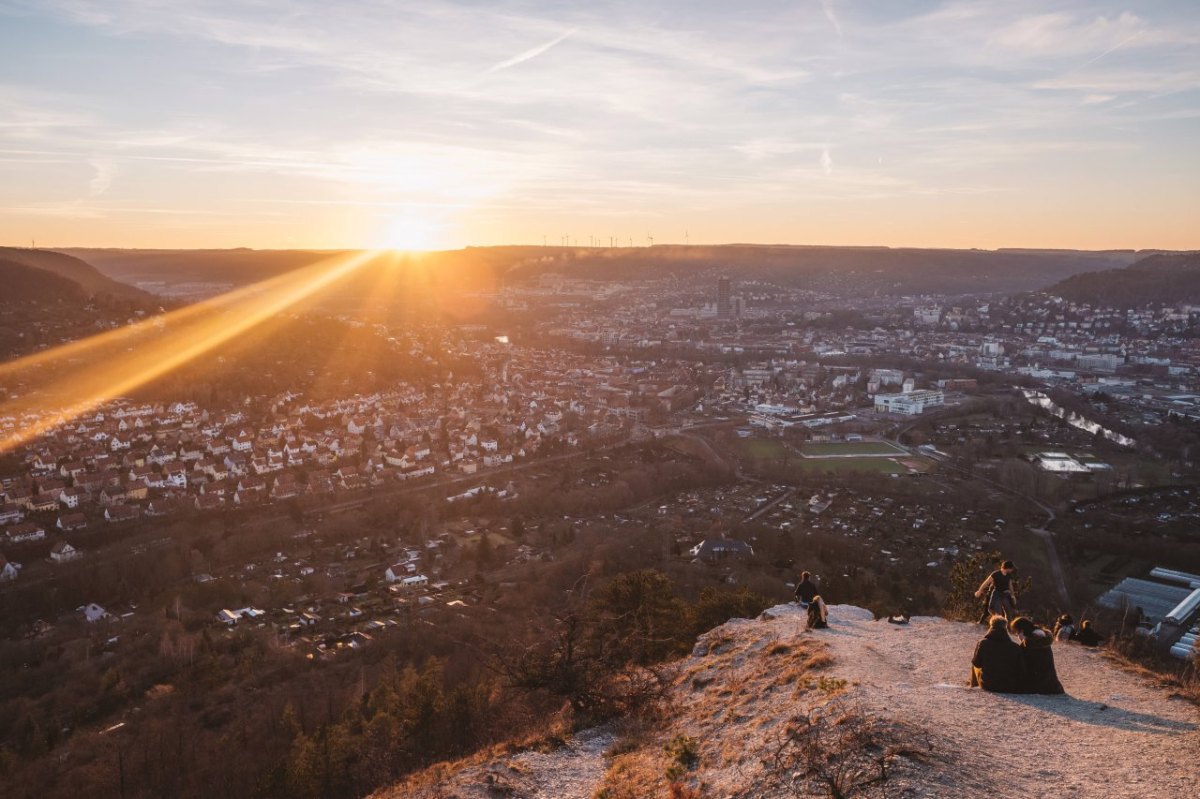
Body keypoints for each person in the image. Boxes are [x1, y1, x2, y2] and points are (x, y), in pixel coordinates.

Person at [970, 615, 1025, 692]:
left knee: (974, 664)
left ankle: (973, 684)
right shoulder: (1015, 647)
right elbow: (1020, 669)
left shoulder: (983, 643)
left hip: (988, 684)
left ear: (991, 626)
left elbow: (977, 663)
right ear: (1005, 627)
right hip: (1009, 685)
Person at [1010, 616, 1064, 694]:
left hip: (1036, 685)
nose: (1017, 635)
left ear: (1022, 630)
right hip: (1051, 684)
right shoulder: (1043, 639)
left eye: (1017, 632)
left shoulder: (1029, 644)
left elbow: (1023, 666)